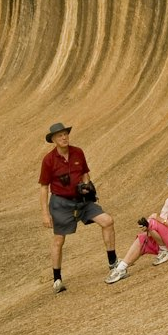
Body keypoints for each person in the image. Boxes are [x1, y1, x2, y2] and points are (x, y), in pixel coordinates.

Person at [39, 122, 118, 293]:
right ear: (53, 139)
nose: (64, 137)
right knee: (59, 240)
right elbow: (44, 187)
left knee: (107, 221)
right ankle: (57, 279)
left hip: (81, 200)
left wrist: (87, 186)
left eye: (65, 134)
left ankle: (113, 264)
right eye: (60, 135)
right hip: (60, 203)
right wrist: (45, 214)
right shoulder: (48, 160)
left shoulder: (78, 152)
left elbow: (84, 172)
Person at [106, 167, 168, 284]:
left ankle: (164, 250)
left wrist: (158, 221)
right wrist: (149, 228)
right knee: (143, 236)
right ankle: (121, 269)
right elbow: (160, 223)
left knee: (153, 221)